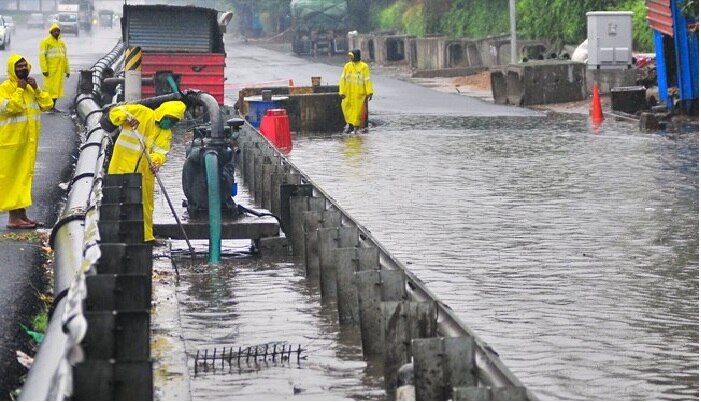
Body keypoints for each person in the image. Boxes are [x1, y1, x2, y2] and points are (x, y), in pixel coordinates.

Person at [104, 101, 186, 243]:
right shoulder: (142, 112)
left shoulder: (165, 133)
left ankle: (146, 238)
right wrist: (127, 118)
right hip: (121, 165)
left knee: (146, 205)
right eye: (171, 119)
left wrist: (156, 161)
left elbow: (161, 152)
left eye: (174, 121)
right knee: (117, 201)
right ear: (164, 114)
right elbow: (114, 112)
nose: (171, 123)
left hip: (145, 173)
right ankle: (117, 236)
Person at [0, 54, 54, 229]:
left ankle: (22, 215)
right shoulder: (5, 88)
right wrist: (19, 90)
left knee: (24, 179)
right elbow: (11, 108)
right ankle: (13, 218)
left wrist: (36, 88)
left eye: (24, 66)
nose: (22, 69)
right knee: (14, 180)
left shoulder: (30, 87)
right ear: (12, 70)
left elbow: (47, 104)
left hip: (27, 143)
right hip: (10, 144)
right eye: (18, 67)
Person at [339, 48, 373, 134]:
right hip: (348, 93)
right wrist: (342, 92)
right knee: (346, 109)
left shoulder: (364, 66)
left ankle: (355, 127)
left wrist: (369, 92)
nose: (350, 58)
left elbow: (367, 79)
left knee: (357, 112)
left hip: (359, 94)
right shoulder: (347, 66)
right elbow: (342, 80)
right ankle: (350, 125)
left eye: (352, 56)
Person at [39, 23, 70, 112]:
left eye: (58, 31)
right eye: (54, 31)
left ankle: (52, 107)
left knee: (57, 91)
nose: (56, 32)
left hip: (59, 72)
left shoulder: (62, 43)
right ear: (51, 32)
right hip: (50, 71)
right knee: (49, 90)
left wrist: (67, 70)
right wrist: (44, 69)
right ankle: (47, 106)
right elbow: (42, 57)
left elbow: (65, 57)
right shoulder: (46, 42)